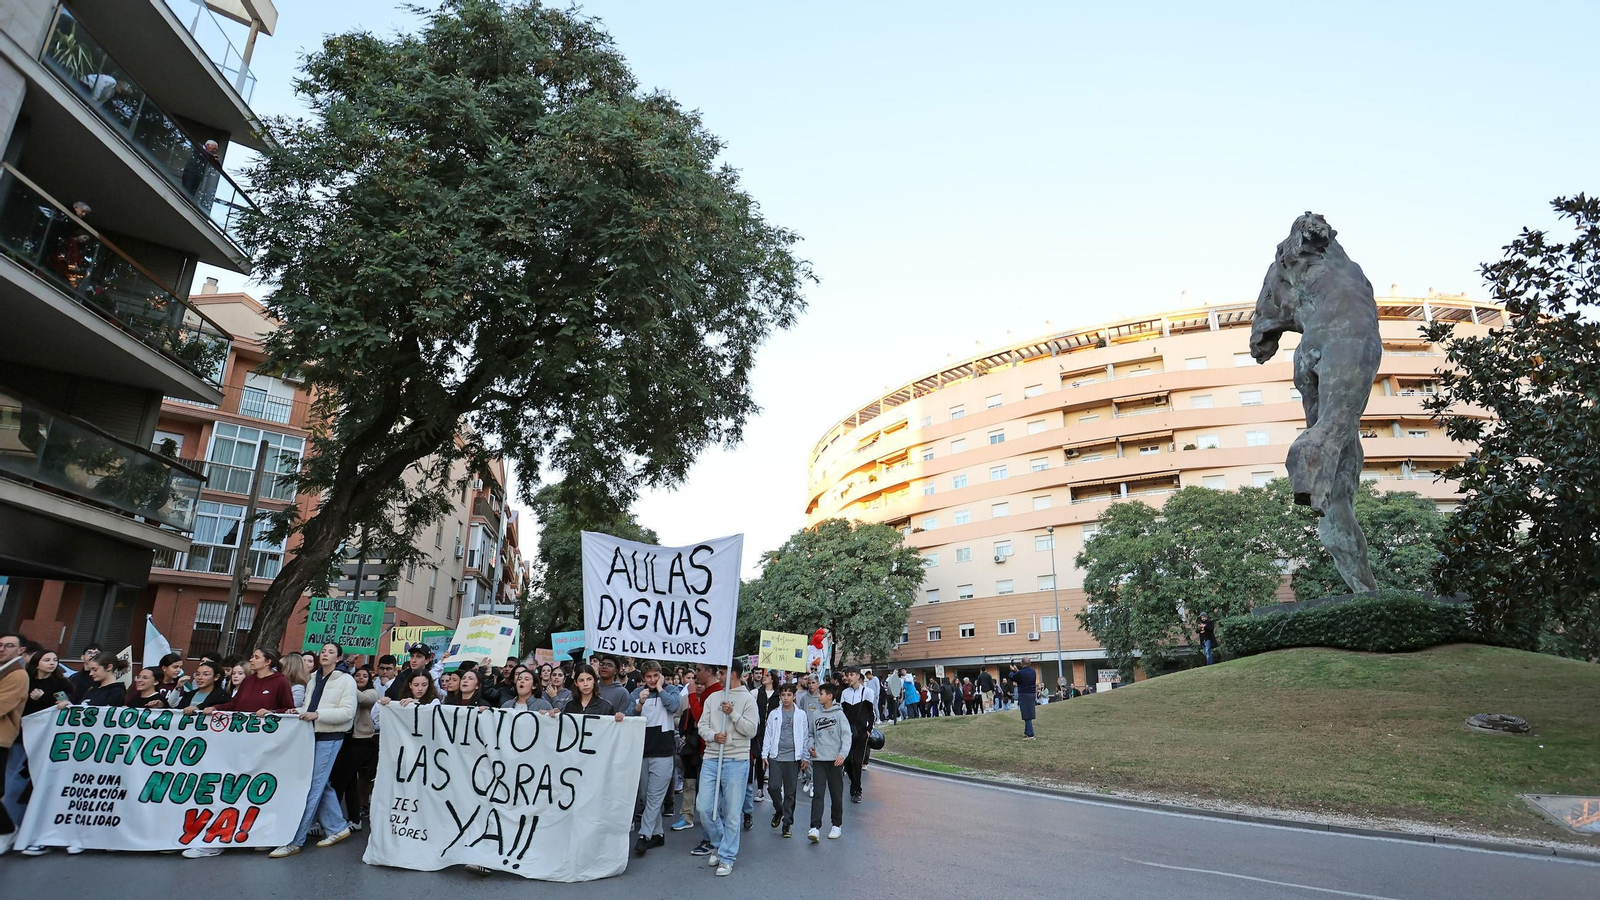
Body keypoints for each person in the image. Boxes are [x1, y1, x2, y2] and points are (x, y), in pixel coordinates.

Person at [270, 642, 358, 858]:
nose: (325, 654)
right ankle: (337, 826)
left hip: (330, 738)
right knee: (321, 784)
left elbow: (347, 713)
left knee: (312, 788)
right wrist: (297, 710)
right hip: (311, 736)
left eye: (331, 652)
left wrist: (317, 715)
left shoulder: (346, 680)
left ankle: (294, 840)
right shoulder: (314, 679)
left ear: (339, 658)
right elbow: (309, 708)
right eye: (323, 651)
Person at [691, 658, 756, 877]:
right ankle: (718, 844)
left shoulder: (748, 699)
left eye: (721, 672)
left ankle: (727, 857)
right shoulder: (713, 697)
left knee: (732, 812)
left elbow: (751, 730)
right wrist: (713, 736)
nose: (718, 676)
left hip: (737, 760)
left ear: (734, 674)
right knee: (704, 807)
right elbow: (702, 725)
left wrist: (733, 714)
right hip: (711, 757)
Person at [631, 661, 679, 857]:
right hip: (643, 751)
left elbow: (673, 706)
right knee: (645, 796)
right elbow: (628, 716)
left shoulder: (672, 690)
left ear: (660, 675)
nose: (652, 680)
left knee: (654, 796)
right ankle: (657, 834)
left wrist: (660, 689)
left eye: (655, 676)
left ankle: (644, 836)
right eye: (649, 677)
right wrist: (640, 703)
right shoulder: (636, 694)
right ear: (643, 678)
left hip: (663, 752)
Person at [329, 667, 379, 836]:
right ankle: (354, 819)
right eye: (357, 675)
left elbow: (364, 699)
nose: (360, 678)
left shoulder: (372, 692)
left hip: (363, 742)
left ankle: (331, 820)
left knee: (339, 782)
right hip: (346, 739)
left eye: (365, 676)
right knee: (349, 782)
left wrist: (349, 684)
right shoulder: (347, 691)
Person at [761, 682, 809, 838]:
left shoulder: (800, 714)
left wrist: (804, 756)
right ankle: (779, 809)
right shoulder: (774, 713)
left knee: (790, 792)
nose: (786, 698)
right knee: (773, 787)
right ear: (780, 696)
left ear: (794, 696)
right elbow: (768, 734)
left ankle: (787, 823)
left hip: (793, 757)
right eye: (783, 695)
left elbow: (805, 736)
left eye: (789, 695)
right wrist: (764, 754)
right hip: (776, 755)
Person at [806, 680, 851, 842]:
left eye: (821, 694)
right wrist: (811, 746)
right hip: (818, 760)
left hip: (835, 761)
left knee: (836, 794)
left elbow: (847, 735)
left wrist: (842, 754)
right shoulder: (815, 715)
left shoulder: (839, 714)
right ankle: (814, 827)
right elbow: (811, 734)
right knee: (818, 794)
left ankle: (836, 825)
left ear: (830, 696)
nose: (819, 696)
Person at [0, 633, 30, 855]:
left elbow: (3, 704)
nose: (2, 649)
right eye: (0, 645)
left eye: (9, 646)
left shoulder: (18, 674)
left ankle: (7, 829)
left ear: (20, 651)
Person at [214, 648, 295, 714]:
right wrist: (215, 708)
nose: (251, 660)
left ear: (267, 662)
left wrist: (272, 712)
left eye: (256, 657)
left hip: (265, 729)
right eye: (252, 657)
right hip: (242, 727)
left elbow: (288, 709)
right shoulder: (248, 680)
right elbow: (234, 704)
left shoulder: (280, 681)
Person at [840, 667, 875, 802]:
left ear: (858, 676)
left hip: (861, 732)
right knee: (847, 760)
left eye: (852, 674)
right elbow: (842, 713)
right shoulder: (844, 693)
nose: (849, 677)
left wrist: (868, 730)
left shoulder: (867, 692)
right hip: (847, 732)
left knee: (858, 762)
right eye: (847, 675)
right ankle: (853, 782)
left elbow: (872, 713)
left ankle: (856, 790)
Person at [750, 669, 776, 803]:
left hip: (773, 732)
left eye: (767, 675)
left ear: (773, 678)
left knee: (774, 758)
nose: (763, 677)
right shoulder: (756, 693)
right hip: (759, 731)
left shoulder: (779, 694)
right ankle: (760, 789)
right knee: (760, 759)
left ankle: (776, 787)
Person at [1013, 656, 1039, 740]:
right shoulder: (1033, 671)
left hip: (1024, 694)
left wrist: (1012, 671)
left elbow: (1012, 678)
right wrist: (1017, 671)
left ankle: (1030, 734)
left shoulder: (1021, 673)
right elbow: (1022, 675)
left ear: (1022, 663)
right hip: (1032, 694)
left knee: (1026, 715)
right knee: (1028, 713)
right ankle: (1026, 732)